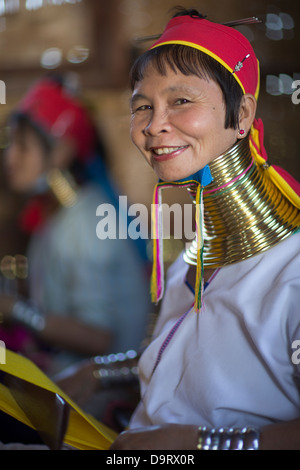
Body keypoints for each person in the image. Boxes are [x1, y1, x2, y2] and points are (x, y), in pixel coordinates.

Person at [109, 8, 300, 450]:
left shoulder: (291, 271)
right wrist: (99, 373)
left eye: (181, 100)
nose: (154, 125)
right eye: (143, 106)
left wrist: (196, 445)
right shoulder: (194, 260)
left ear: (243, 114)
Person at [0, 76, 150, 377]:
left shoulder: (85, 222)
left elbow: (99, 337)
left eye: (23, 146)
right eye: (10, 143)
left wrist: (13, 309)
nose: (9, 157)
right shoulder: (59, 215)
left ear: (62, 151)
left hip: (98, 403)